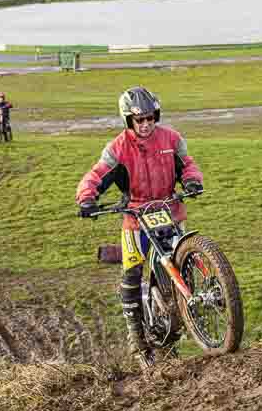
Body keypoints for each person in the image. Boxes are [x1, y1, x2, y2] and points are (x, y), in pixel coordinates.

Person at [76, 86, 203, 360]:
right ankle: (136, 336)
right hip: (135, 217)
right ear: (128, 120)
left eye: (150, 118)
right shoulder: (117, 148)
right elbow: (97, 175)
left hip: (170, 210)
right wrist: (86, 198)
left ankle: (181, 320)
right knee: (132, 273)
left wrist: (192, 180)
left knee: (182, 267)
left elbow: (188, 164)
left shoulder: (172, 138)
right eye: (139, 120)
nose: (146, 124)